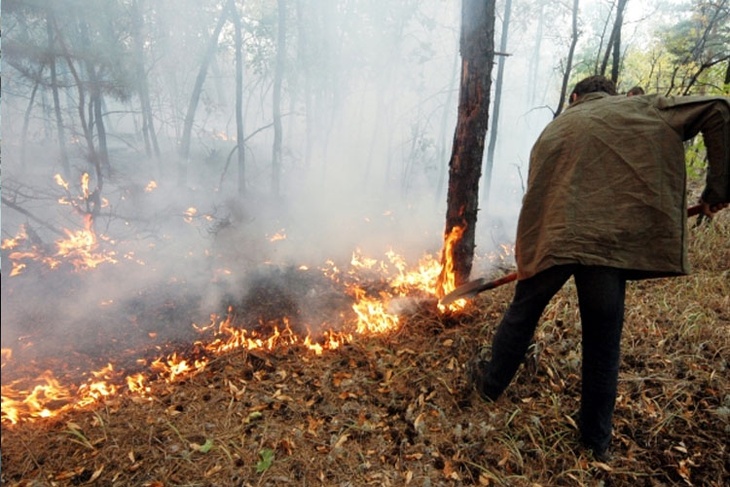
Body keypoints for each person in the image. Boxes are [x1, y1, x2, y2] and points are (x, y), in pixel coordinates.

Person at [467, 75, 729, 461]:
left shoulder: (554, 128)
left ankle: (489, 387)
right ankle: (595, 442)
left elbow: (535, 200)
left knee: (522, 314)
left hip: (552, 240)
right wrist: (718, 191)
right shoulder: (640, 108)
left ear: (575, 97)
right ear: (612, 94)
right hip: (605, 246)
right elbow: (719, 108)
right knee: (603, 340)